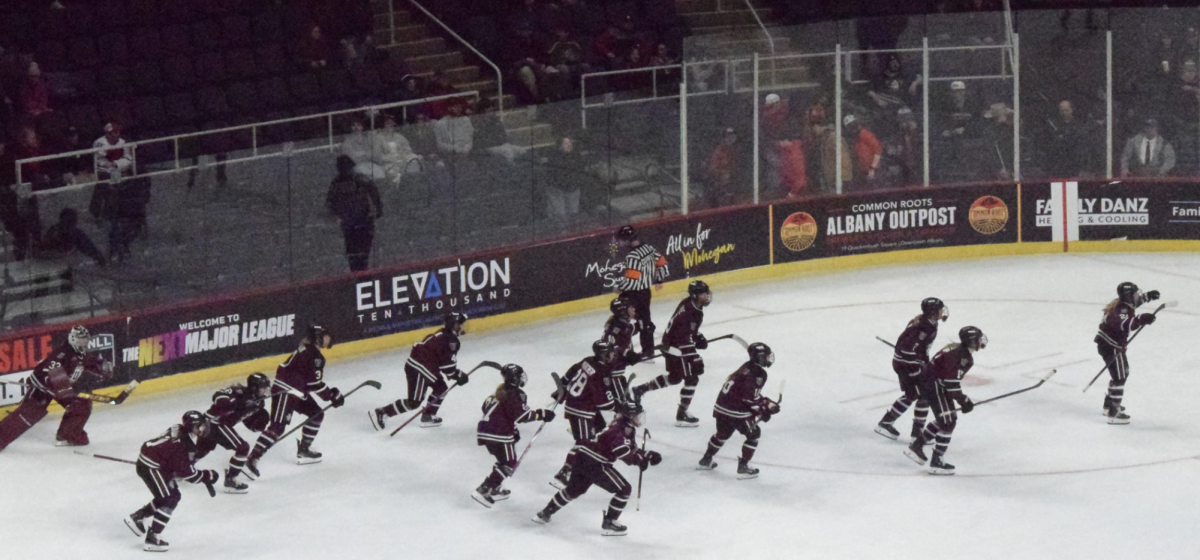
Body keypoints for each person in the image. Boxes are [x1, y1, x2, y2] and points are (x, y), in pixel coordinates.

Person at [531, 400, 660, 536]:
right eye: (636, 415)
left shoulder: (625, 427)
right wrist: (638, 460)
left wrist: (647, 455)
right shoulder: (617, 429)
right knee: (624, 489)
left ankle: (545, 513)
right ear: (628, 415)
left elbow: (630, 448)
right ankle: (609, 522)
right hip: (596, 464)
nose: (639, 419)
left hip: (582, 459)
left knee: (574, 490)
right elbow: (622, 452)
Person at [246, 325, 345, 477]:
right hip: (285, 391)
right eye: (326, 336)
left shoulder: (307, 349)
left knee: (316, 414)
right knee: (277, 427)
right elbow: (314, 384)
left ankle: (304, 449)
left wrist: (329, 395)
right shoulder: (316, 357)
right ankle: (252, 458)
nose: (329, 338)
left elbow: (309, 381)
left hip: (297, 392)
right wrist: (331, 395)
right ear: (318, 337)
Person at [0, 325, 112, 451]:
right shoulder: (62, 354)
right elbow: (51, 373)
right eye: (81, 341)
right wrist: (64, 391)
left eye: (85, 341)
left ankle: (67, 435)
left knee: (81, 405)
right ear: (73, 340)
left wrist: (101, 366)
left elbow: (90, 362)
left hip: (62, 388)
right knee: (28, 414)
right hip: (42, 387)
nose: (83, 343)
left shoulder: (81, 353)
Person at [124, 411, 221, 552]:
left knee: (170, 495)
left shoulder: (178, 428)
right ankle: (153, 538)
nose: (203, 428)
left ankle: (138, 517)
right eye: (200, 426)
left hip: (153, 463)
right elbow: (190, 475)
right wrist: (208, 475)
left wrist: (169, 464)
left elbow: (170, 454)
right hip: (152, 468)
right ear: (191, 427)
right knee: (170, 498)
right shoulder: (184, 446)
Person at [904, 326, 987, 475]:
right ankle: (935, 460)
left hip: (932, 382)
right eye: (979, 337)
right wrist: (964, 400)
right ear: (973, 341)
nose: (982, 340)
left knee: (947, 419)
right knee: (948, 421)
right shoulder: (964, 358)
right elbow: (951, 383)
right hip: (935, 385)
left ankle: (918, 446)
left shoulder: (956, 348)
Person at [472, 364, 556, 507]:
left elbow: (485, 407)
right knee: (509, 464)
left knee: (503, 461)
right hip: (499, 433)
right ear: (516, 378)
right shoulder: (515, 393)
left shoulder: (499, 390)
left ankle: (494, 489)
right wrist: (543, 414)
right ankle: (484, 489)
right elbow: (522, 415)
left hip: (485, 430)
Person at [632, 280, 712, 427]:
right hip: (676, 348)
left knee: (675, 378)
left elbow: (685, 330)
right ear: (695, 295)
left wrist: (697, 336)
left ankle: (640, 389)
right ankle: (681, 415)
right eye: (703, 293)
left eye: (706, 292)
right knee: (692, 378)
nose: (707, 296)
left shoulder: (691, 305)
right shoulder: (691, 311)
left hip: (672, 344)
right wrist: (694, 357)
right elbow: (682, 337)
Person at [370, 312, 469, 430]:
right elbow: (448, 368)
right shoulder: (452, 341)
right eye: (460, 324)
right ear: (454, 325)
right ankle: (382, 412)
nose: (462, 327)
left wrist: (455, 374)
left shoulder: (442, 333)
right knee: (414, 403)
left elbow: (442, 362)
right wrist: (459, 375)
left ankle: (428, 415)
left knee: (441, 388)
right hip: (420, 368)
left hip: (424, 367)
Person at [697, 342, 780, 479]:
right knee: (754, 434)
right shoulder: (759, 373)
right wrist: (762, 410)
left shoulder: (746, 366)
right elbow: (748, 399)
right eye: (765, 356)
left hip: (722, 407)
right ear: (760, 357)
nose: (768, 358)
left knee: (722, 434)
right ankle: (744, 466)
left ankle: (706, 460)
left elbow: (748, 394)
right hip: (735, 411)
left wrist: (766, 403)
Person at [875, 298, 947, 442]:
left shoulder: (928, 322)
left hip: (909, 362)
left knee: (923, 393)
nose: (942, 311)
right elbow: (906, 349)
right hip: (906, 364)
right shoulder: (924, 326)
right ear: (932, 312)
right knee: (914, 394)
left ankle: (916, 432)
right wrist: (916, 366)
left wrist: (924, 362)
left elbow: (915, 347)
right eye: (939, 309)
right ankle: (887, 423)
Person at [550, 340, 618, 489]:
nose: (613, 354)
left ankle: (581, 462)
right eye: (611, 352)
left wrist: (561, 390)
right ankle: (564, 473)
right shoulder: (602, 373)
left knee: (595, 432)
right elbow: (604, 403)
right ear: (604, 354)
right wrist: (617, 406)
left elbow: (570, 374)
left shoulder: (588, 360)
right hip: (582, 409)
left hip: (575, 404)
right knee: (584, 442)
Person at [1094, 282, 1160, 424]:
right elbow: (1126, 324)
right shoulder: (1121, 310)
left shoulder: (1123, 304)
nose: (1137, 295)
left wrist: (1148, 296)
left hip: (1108, 344)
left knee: (1120, 373)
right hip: (1111, 346)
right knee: (1120, 376)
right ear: (1128, 295)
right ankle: (1114, 413)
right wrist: (1141, 319)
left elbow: (1135, 304)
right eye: (1135, 293)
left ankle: (1109, 405)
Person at [196, 373, 272, 494]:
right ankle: (231, 480)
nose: (265, 390)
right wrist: (232, 404)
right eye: (263, 387)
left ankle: (177, 469)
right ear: (253, 387)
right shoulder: (239, 391)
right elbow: (218, 395)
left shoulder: (258, 403)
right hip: (214, 422)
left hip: (216, 424)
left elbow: (247, 422)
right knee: (243, 447)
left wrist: (258, 423)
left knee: (203, 448)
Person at [611, 225, 669, 358]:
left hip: (632, 293)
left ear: (627, 239)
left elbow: (631, 281)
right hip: (645, 292)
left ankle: (622, 347)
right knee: (644, 319)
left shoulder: (632, 256)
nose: (619, 242)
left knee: (621, 318)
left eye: (621, 240)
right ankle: (648, 350)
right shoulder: (648, 248)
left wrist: (619, 287)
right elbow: (662, 264)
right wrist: (659, 280)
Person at [326, 154, 383, 272]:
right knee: (354, 254)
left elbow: (374, 194)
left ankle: (361, 274)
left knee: (361, 253)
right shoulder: (336, 184)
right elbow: (330, 203)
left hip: (362, 222)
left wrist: (377, 210)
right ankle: (358, 275)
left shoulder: (360, 180)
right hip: (350, 225)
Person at [602, 297, 640, 404]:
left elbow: (627, 333)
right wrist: (628, 354)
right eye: (630, 307)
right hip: (613, 364)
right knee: (616, 379)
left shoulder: (618, 322)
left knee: (619, 378)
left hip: (615, 361)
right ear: (623, 310)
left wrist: (640, 326)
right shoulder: (618, 326)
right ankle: (621, 403)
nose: (633, 309)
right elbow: (614, 345)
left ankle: (623, 398)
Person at [36, 207, 106, 266]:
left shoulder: (77, 234)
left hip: (66, 263)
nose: (69, 224)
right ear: (61, 220)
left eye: (72, 221)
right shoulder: (54, 231)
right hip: (51, 263)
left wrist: (98, 256)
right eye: (67, 221)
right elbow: (43, 247)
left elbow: (88, 247)